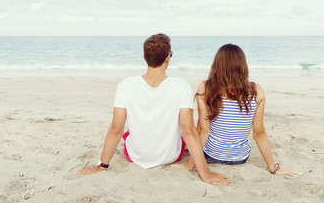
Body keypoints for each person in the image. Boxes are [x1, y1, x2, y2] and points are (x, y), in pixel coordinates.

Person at [78, 34, 230, 185]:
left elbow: (116, 129)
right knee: (185, 133)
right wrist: (205, 173)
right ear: (167, 58)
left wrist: (101, 166)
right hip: (171, 157)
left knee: (127, 133)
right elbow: (188, 130)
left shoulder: (126, 85)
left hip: (136, 157)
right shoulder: (181, 86)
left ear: (144, 58)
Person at [185, 44, 302, 177]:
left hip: (211, 155)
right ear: (242, 66)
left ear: (216, 65)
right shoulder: (256, 91)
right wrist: (273, 168)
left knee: (196, 130)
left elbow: (204, 130)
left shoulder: (206, 87)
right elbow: (259, 132)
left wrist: (190, 164)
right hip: (240, 158)